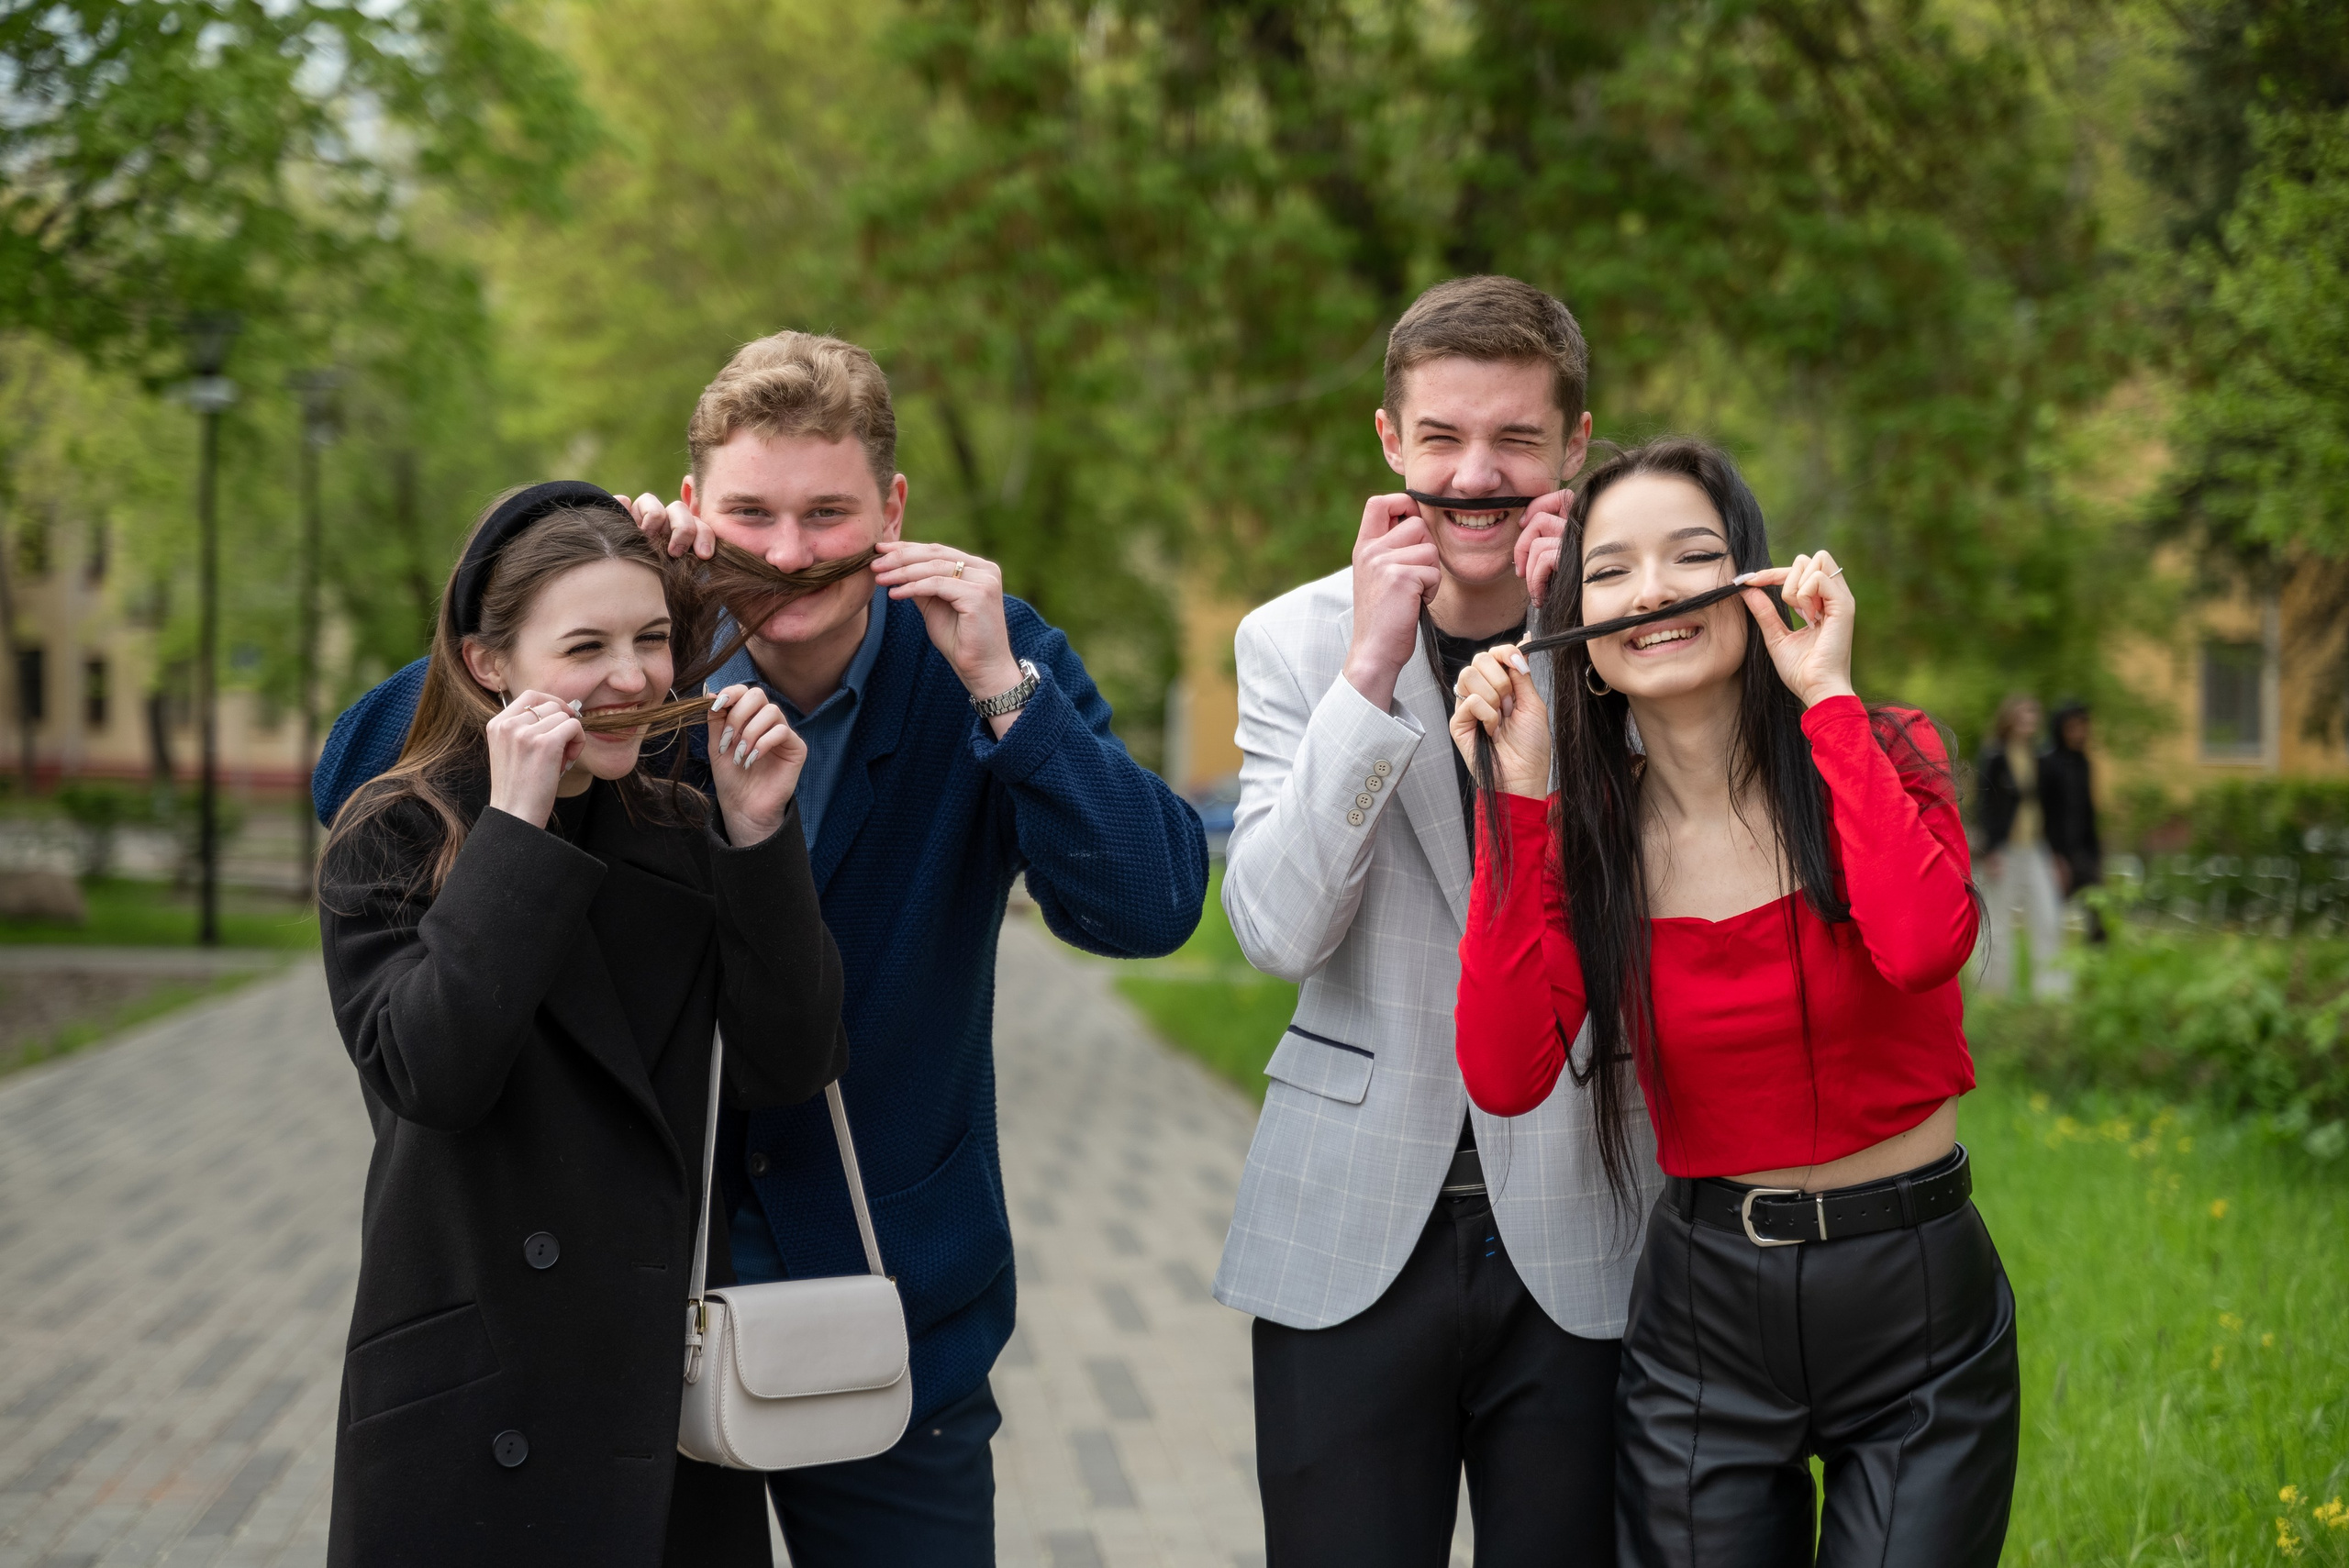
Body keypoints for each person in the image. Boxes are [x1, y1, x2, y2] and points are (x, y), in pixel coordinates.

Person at [312, 334, 1209, 1564]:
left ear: (892, 510)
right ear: (692, 510)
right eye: (749, 514)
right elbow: (359, 770)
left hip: (889, 1306)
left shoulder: (982, 654)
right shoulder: (645, 661)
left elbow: (1150, 904)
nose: (788, 553)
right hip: (629, 1311)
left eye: (827, 512)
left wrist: (1005, 687)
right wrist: (580, 597)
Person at [1448, 439, 2019, 1568]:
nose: (1652, 589)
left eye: (1691, 555)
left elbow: (1921, 948)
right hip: (1705, 1315)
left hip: (1915, 1296)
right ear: (1583, 644)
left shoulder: (1886, 748)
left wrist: (1829, 700)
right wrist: (1517, 797)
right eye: (1608, 572)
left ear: (1753, 585)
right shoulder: (1580, 839)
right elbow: (1505, 1072)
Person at [317, 484, 847, 1565]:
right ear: (486, 663)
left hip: (647, 1392)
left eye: (651, 639)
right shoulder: (394, 833)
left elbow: (786, 1064)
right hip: (468, 1391)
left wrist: (758, 838)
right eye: (585, 644)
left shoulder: (681, 825)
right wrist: (515, 827)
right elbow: (433, 1075)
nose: (630, 676)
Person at [1213, 274, 1656, 1567]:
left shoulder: (1634, 645)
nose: (1478, 474)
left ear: (1574, 447)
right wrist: (1369, 672)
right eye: (1444, 439)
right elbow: (1279, 931)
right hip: (1348, 1226)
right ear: (1390, 443)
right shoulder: (1294, 643)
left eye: (1517, 439)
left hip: (1589, 1216)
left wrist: (1565, 646)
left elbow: (1649, 897)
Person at [1975, 693, 2068, 994]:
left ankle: (2053, 990)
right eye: (2024, 714)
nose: (2030, 720)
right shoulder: (1995, 757)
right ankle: (1994, 990)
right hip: (2004, 849)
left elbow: (2050, 808)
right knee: (1997, 921)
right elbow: (1985, 805)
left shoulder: (2041, 758)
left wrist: (2056, 853)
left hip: (2036, 848)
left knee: (2048, 916)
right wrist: (1990, 850)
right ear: (2010, 717)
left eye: (2033, 714)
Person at [2042, 699, 2105, 942]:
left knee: (2098, 911)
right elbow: (2045, 814)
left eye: (2083, 727)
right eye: (2073, 727)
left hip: (2083, 852)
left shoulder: (2084, 764)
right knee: (2054, 915)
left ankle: (2093, 966)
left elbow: (2088, 811)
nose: (2080, 733)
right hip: (2056, 853)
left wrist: (2095, 853)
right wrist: (2054, 854)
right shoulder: (2047, 764)